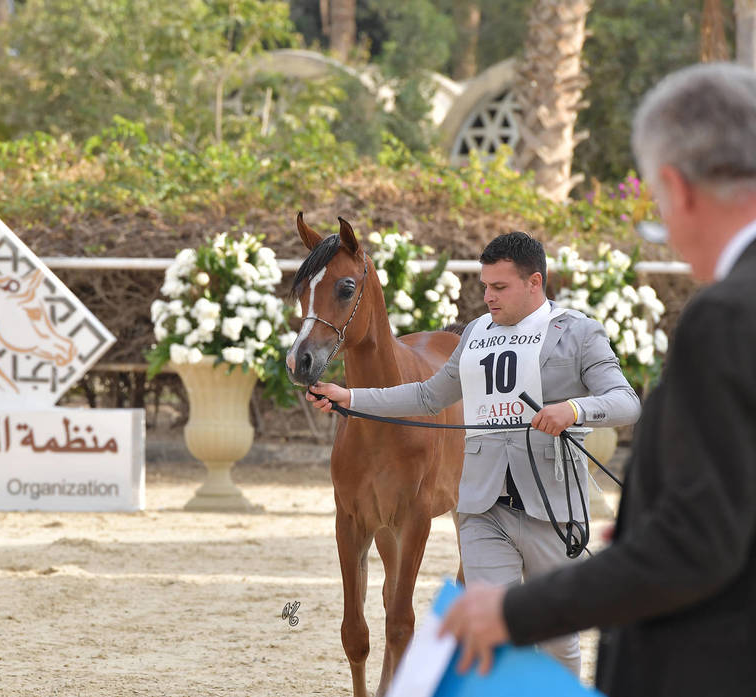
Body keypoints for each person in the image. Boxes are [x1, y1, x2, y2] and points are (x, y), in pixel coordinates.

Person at [439, 62, 756, 696]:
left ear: (678, 188)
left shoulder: (725, 316)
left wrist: (510, 612)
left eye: (659, 211)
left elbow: (698, 544)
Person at [306, 230, 641, 676]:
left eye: (499, 287)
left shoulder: (578, 332)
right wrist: (353, 398)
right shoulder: (477, 334)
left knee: (558, 643)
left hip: (551, 507)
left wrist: (575, 409)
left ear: (534, 283)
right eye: (485, 286)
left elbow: (626, 402)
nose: (488, 297)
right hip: (484, 509)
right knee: (489, 633)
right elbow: (427, 396)